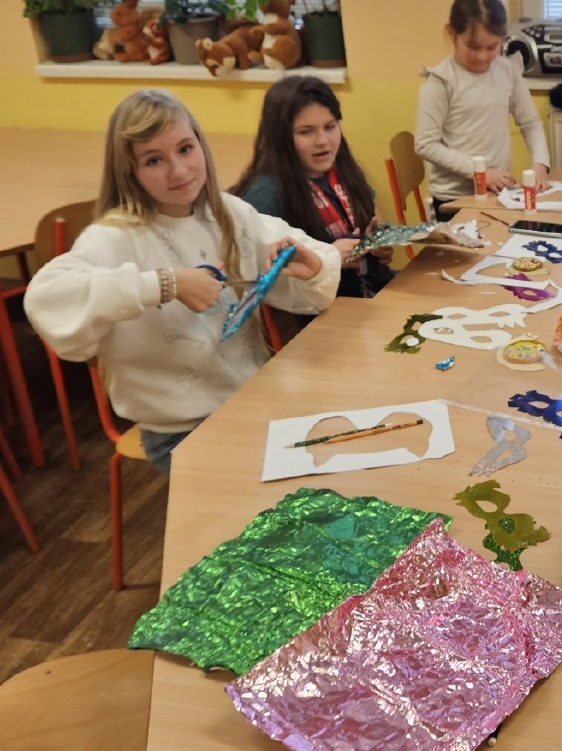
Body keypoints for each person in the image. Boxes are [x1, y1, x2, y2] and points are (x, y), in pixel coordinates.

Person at [24, 90, 341, 474]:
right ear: (128, 171)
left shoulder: (227, 212)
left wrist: (314, 267)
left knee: (336, 458)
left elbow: (309, 256)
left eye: (186, 149)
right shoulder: (116, 236)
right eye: (154, 160)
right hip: (180, 430)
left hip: (253, 401)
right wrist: (165, 284)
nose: (178, 170)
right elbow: (46, 299)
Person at [232, 75, 395, 299]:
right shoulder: (265, 196)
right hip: (330, 308)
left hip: (372, 287)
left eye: (330, 127)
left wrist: (380, 242)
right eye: (306, 132)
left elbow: (372, 212)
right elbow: (264, 280)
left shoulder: (339, 167)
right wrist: (329, 257)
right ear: (280, 137)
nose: (323, 141)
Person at [414, 0, 551, 219]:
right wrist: (480, 173)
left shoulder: (508, 70)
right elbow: (425, 144)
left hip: (498, 192)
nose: (482, 56)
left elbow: (530, 122)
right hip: (454, 198)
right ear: (451, 34)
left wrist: (540, 165)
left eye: (491, 47)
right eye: (473, 46)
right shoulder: (441, 80)